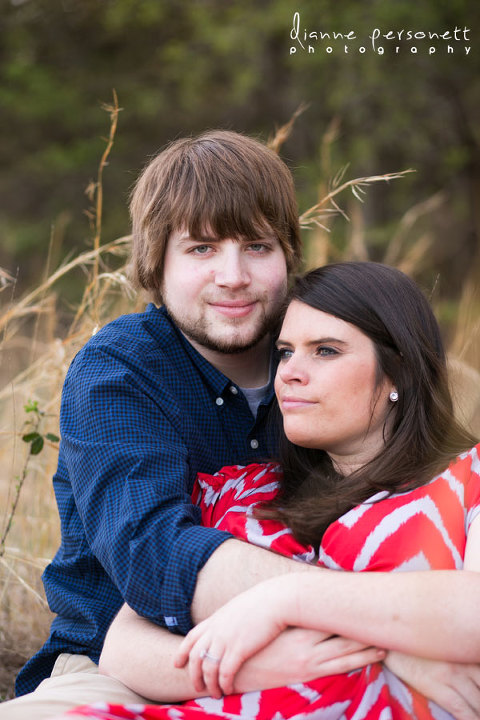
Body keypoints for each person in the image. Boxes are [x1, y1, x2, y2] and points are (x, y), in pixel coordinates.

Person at [1, 132, 377, 720]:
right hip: (126, 670)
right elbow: (154, 553)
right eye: (201, 249)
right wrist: (371, 618)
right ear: (157, 262)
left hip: (330, 658)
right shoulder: (120, 370)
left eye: (257, 245)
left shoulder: (338, 355)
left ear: (287, 255)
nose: (233, 275)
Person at [59, 262, 480, 720]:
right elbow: (123, 649)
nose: (290, 373)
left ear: (399, 370)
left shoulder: (465, 481)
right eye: (284, 351)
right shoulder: (246, 490)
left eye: (325, 351)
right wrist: (263, 666)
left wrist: (287, 601)